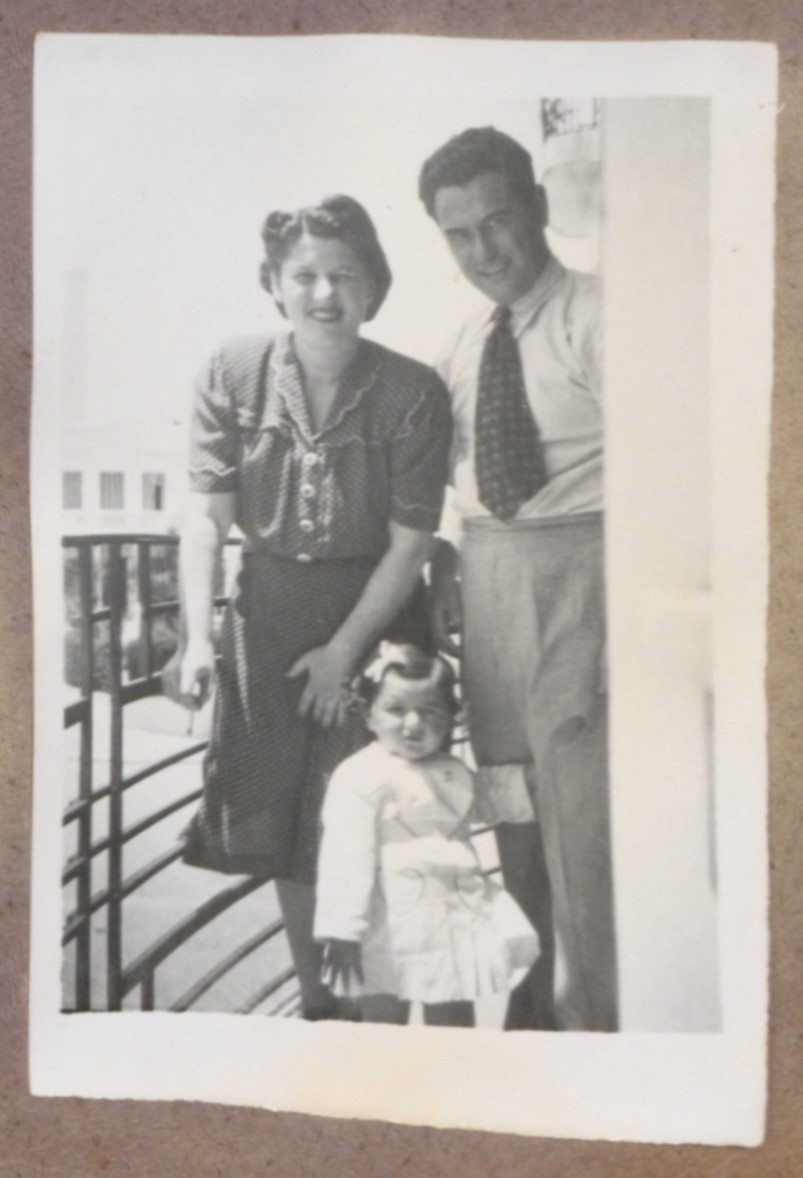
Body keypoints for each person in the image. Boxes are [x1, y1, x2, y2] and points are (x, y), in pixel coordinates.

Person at [171, 195, 452, 1019]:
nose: (324, 293)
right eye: (305, 276)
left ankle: (388, 1021)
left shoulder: (411, 390)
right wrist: (195, 640)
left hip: (374, 622)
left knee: (376, 821)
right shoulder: (232, 369)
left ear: (374, 288)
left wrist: (343, 655)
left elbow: (409, 545)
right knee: (292, 830)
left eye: (345, 276)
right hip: (265, 625)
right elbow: (203, 518)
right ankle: (322, 1013)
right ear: (274, 284)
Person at [418, 126, 616, 1031]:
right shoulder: (458, 344)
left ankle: (599, 1023)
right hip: (489, 590)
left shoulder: (598, 314)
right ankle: (533, 1012)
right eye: (459, 234)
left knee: (584, 820)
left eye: (498, 221)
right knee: (513, 807)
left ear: (537, 209)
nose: (483, 251)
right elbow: (436, 489)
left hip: (583, 572)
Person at [314, 643, 540, 1027]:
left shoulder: (452, 771)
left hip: (449, 917)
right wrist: (342, 931)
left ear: (452, 718)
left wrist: (535, 780)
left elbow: (490, 798)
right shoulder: (359, 776)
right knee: (383, 1015)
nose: (414, 724)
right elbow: (345, 857)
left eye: (431, 711)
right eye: (396, 710)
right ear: (368, 714)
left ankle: (450, 1080)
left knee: (453, 1010)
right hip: (387, 919)